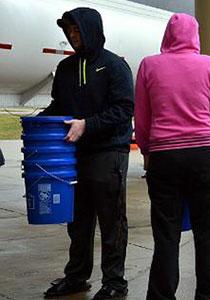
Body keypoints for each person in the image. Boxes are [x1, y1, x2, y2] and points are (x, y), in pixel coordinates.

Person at [40, 8, 133, 299]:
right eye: (68, 30)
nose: (72, 35)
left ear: (91, 29)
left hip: (108, 153)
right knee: (77, 220)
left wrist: (88, 125)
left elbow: (124, 110)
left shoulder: (114, 66)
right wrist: (38, 124)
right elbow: (59, 107)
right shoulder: (66, 68)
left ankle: (114, 283)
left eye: (77, 30)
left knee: (111, 220)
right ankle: (77, 276)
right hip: (74, 155)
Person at [135, 14, 210, 299]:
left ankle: (161, 296)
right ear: (195, 35)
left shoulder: (149, 65)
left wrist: (148, 151)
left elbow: (142, 116)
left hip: (164, 154)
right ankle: (209, 294)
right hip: (202, 153)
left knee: (166, 233)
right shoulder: (209, 64)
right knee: (207, 232)